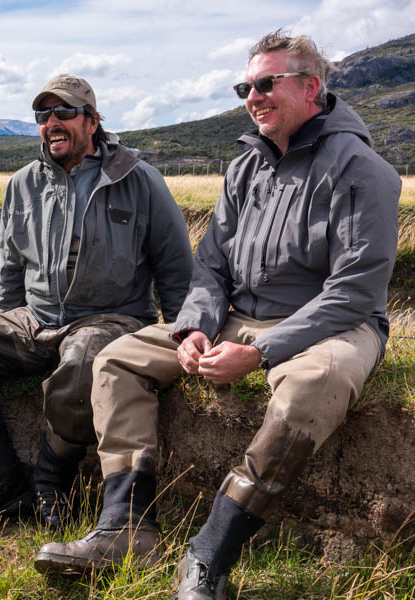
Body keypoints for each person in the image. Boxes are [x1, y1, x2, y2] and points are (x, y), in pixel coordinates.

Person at [34, 30, 402, 599]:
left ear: (311, 87)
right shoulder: (243, 169)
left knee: (315, 385)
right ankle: (125, 527)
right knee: (115, 359)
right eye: (245, 86)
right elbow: (211, 269)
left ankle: (209, 555)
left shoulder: (363, 170)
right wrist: (195, 326)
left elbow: (355, 290)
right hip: (238, 317)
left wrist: (260, 352)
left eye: (265, 83)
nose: (252, 96)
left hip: (332, 325)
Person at [0, 74, 193, 532]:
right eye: (43, 115)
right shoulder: (22, 184)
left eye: (64, 112)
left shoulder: (139, 179)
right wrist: (5, 319)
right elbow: (11, 267)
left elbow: (176, 271)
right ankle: (1, 477)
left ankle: (51, 481)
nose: (51, 122)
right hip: (36, 319)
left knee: (82, 361)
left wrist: (185, 339)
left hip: (111, 319)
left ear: (92, 121)